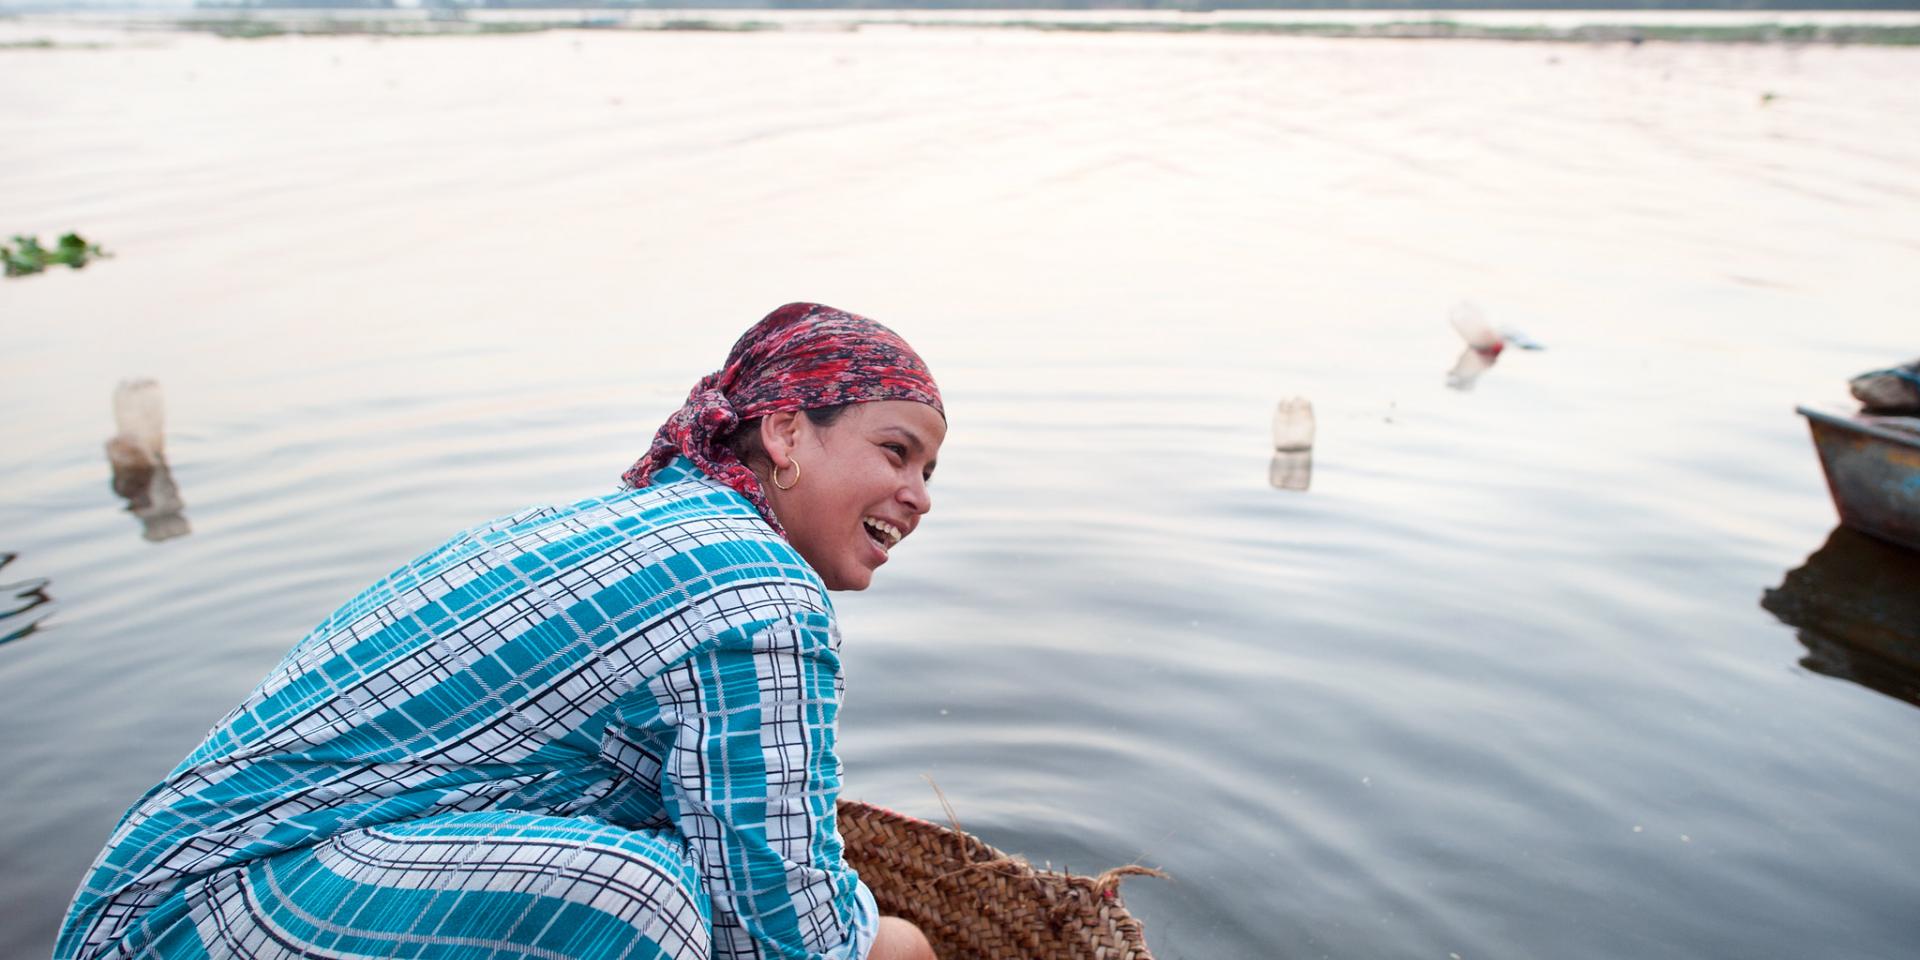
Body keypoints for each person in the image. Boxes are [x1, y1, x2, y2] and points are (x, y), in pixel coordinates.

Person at [59, 303, 946, 960]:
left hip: (182, 903)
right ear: (786, 433)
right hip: (184, 925)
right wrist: (899, 942)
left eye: (930, 470)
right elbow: (781, 932)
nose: (920, 495)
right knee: (640, 900)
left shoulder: (657, 522)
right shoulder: (757, 589)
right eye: (895, 451)